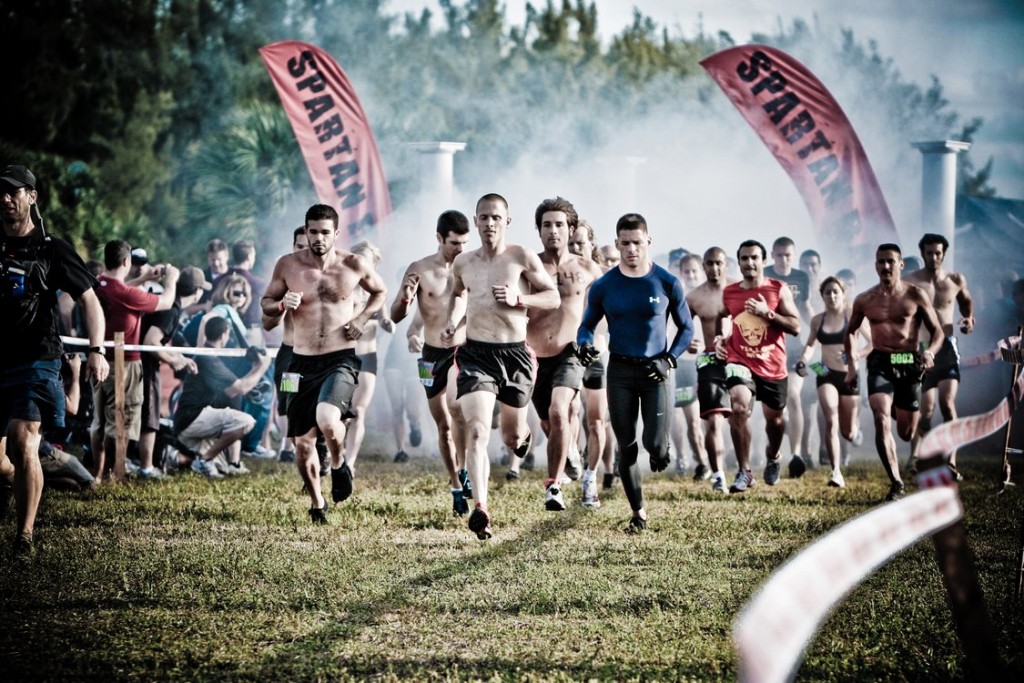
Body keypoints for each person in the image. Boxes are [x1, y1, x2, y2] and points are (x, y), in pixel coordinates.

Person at [0, 164, 109, 559]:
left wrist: (96, 351)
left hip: (37, 357)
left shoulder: (52, 248)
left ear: (32, 196)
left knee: (23, 437)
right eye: (1, 192)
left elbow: (90, 300)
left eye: (14, 191)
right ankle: (19, 474)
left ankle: (24, 536)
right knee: (5, 460)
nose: (6, 198)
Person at [441, 193, 559, 539]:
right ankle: (481, 509)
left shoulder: (520, 256)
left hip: (516, 355)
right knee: (477, 429)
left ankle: (524, 437)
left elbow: (552, 297)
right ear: (475, 222)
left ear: (506, 222)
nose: (489, 223)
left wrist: (520, 299)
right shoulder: (463, 262)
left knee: (510, 437)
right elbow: (458, 293)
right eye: (483, 217)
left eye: (496, 217)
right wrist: (452, 321)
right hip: (477, 354)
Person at [261, 204, 387, 523]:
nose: (317, 238)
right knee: (301, 444)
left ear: (336, 234)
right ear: (305, 232)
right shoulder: (288, 266)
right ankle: (317, 503)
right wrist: (279, 304)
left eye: (324, 232)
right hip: (295, 362)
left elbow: (380, 292)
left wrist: (361, 318)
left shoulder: (352, 264)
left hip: (340, 358)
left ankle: (338, 463)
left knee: (329, 418)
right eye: (312, 232)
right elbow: (265, 312)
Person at [577, 213, 694, 531]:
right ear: (616, 244)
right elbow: (586, 326)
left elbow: (687, 329)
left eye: (637, 243)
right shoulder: (604, 286)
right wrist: (584, 344)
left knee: (653, 446)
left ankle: (662, 445)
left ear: (648, 242)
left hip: (657, 370)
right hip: (620, 371)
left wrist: (669, 360)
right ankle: (638, 513)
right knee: (626, 446)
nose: (631, 250)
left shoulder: (667, 282)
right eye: (625, 244)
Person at [845, 243, 943, 501]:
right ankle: (896, 482)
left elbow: (938, 332)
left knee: (907, 432)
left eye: (890, 261)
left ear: (901, 265)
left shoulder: (916, 295)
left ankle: (896, 406)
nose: (885, 266)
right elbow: (851, 332)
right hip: (880, 360)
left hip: (908, 359)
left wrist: (930, 352)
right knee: (880, 417)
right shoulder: (864, 299)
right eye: (881, 262)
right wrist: (853, 364)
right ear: (875, 265)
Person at [391, 210, 473, 516]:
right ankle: (455, 484)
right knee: (444, 426)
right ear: (439, 239)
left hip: (461, 351)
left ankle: (465, 469)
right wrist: (404, 300)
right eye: (454, 243)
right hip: (429, 357)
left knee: (458, 409)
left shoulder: (472, 266)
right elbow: (396, 316)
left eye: (465, 242)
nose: (460, 249)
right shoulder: (420, 269)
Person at [526, 197, 604, 511]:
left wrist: (596, 340)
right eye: (547, 225)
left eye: (559, 225)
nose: (553, 231)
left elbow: (606, 309)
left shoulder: (588, 268)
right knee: (548, 422)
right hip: (533, 356)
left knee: (562, 410)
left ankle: (554, 487)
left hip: (571, 352)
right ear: (539, 230)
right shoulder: (528, 265)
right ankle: (569, 452)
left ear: (570, 229)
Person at [715, 240, 801, 494]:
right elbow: (722, 316)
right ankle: (745, 471)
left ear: (764, 261)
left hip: (773, 366)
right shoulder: (730, 292)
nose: (749, 263)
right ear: (738, 262)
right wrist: (721, 339)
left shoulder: (777, 289)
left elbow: (796, 327)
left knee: (775, 422)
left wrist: (767, 313)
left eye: (754, 258)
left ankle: (773, 456)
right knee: (738, 408)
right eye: (744, 258)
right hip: (740, 360)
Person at [91, 240, 180, 480]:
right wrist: (171, 279)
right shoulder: (125, 293)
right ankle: (115, 474)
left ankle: (98, 474)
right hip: (125, 364)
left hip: (100, 361)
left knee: (100, 422)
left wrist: (142, 280)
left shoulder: (100, 283)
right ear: (125, 262)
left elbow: (118, 289)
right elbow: (166, 302)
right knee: (121, 420)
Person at [904, 233, 975, 480]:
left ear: (944, 254)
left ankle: (951, 461)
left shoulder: (955, 280)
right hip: (921, 350)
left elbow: (966, 302)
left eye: (937, 253)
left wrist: (969, 320)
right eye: (929, 253)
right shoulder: (910, 282)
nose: (933, 257)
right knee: (925, 411)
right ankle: (919, 457)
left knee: (947, 404)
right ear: (922, 254)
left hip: (946, 348)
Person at [796, 276, 870, 487]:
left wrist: (856, 354)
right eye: (827, 292)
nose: (832, 296)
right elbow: (811, 345)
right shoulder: (817, 320)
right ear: (822, 296)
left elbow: (872, 343)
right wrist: (803, 360)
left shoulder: (852, 316)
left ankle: (855, 431)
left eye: (836, 291)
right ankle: (836, 472)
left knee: (846, 431)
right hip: (826, 373)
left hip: (849, 376)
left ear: (843, 294)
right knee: (830, 416)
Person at [173, 316, 270, 478]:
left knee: (221, 467)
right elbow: (240, 388)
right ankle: (204, 460)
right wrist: (262, 367)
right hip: (191, 420)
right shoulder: (208, 358)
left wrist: (255, 369)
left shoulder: (209, 354)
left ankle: (196, 459)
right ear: (224, 335)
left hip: (189, 420)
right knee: (247, 420)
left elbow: (231, 391)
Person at [136, 266, 208, 478]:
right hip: (145, 366)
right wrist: (172, 360)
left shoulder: (168, 303)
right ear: (197, 292)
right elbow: (151, 342)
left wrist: (180, 359)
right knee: (149, 416)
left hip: (140, 364)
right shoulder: (172, 310)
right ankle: (147, 468)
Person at [568, 220, 617, 503]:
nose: (576, 248)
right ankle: (571, 453)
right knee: (568, 410)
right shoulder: (558, 273)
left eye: (581, 243)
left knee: (597, 421)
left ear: (591, 245)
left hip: (598, 354)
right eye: (571, 243)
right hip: (568, 353)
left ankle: (591, 477)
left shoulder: (604, 277)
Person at [686, 247, 738, 493]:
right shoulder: (694, 297)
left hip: (739, 359)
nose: (714, 268)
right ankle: (718, 475)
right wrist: (689, 343)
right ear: (703, 266)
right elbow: (681, 328)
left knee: (740, 416)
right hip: (709, 360)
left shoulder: (739, 290)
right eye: (709, 264)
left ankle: (744, 467)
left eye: (719, 263)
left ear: (726, 264)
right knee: (714, 421)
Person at [344, 240, 394, 476]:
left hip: (368, 356)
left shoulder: (378, 290)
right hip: (344, 356)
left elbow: (385, 319)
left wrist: (387, 323)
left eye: (367, 260)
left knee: (359, 411)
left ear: (373, 264)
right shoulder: (344, 287)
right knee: (340, 414)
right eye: (358, 258)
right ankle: (335, 454)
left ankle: (350, 462)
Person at [764, 236, 813, 477]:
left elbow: (804, 307)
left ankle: (796, 455)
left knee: (793, 396)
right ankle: (772, 450)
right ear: (772, 255)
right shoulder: (763, 275)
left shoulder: (802, 278)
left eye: (788, 255)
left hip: (794, 348)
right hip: (768, 349)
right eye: (780, 255)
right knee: (775, 407)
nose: (784, 260)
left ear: (794, 256)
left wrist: (817, 329)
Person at [262, 227, 309, 464]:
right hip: (291, 353)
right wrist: (282, 306)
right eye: (299, 246)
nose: (304, 251)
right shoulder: (284, 276)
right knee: (288, 401)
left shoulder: (329, 276)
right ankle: (288, 445)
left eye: (307, 246)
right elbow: (267, 323)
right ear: (293, 247)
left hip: (322, 354)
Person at [670, 252, 710, 480]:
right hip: (682, 364)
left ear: (701, 272)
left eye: (695, 271)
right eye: (687, 271)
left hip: (705, 363)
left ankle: (705, 459)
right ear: (681, 274)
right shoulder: (677, 298)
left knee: (700, 418)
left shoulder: (710, 295)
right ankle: (685, 458)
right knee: (682, 415)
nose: (692, 275)